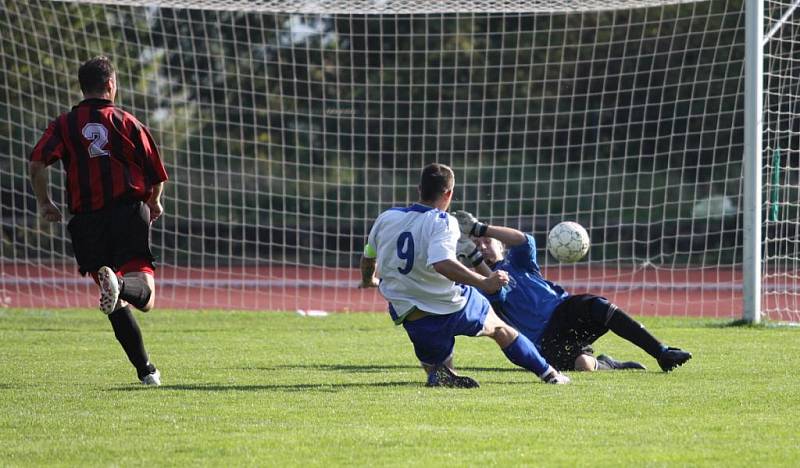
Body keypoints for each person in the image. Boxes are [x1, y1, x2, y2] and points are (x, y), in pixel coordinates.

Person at [359, 163, 569, 387]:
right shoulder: (443, 220)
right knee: (500, 329)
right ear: (448, 193)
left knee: (436, 365)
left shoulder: (386, 218)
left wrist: (368, 280)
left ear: (419, 189)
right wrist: (485, 281)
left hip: (412, 316)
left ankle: (440, 373)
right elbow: (442, 263)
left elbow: (368, 257)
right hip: (451, 306)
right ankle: (550, 375)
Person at [29, 56, 168, 386]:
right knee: (144, 296)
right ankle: (121, 286)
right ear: (110, 85)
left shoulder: (63, 124)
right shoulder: (126, 121)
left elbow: (36, 163)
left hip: (86, 221)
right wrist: (155, 201)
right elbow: (155, 173)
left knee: (114, 301)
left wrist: (45, 202)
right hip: (127, 213)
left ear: (83, 87)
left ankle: (146, 371)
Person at [452, 211, 692, 373]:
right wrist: (474, 260)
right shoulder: (477, 282)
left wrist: (480, 228)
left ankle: (661, 352)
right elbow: (495, 286)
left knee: (599, 306)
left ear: (499, 244)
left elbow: (525, 240)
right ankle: (607, 364)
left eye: (485, 241)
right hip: (541, 340)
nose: (481, 245)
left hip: (562, 310)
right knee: (584, 366)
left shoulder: (518, 262)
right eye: (475, 243)